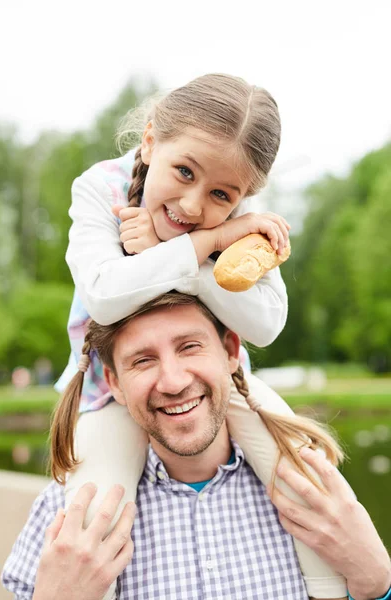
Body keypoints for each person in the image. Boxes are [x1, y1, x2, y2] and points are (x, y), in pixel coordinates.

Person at [52, 73, 344, 598]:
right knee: (96, 510)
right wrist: (209, 240)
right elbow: (102, 292)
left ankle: (332, 590)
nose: (190, 205)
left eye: (221, 195)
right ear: (149, 141)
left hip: (220, 383)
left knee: (306, 472)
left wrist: (198, 258)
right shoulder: (100, 189)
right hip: (109, 391)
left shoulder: (247, 226)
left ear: (245, 194)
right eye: (183, 171)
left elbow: (266, 323)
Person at [2, 293, 391, 599]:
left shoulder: (312, 494)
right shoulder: (68, 513)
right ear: (114, 382)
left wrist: (378, 585)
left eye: (189, 347)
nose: (172, 381)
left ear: (230, 352)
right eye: (142, 360)